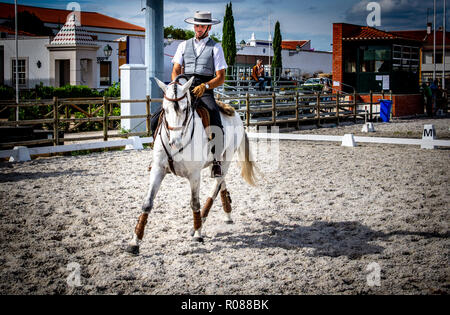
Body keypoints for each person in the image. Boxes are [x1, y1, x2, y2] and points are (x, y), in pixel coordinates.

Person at [150, 11, 227, 177]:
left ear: (209, 27)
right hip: (183, 85)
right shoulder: (183, 45)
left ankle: (216, 161)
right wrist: (177, 86)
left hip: (204, 88)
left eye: (202, 26)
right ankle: (157, 157)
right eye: (196, 25)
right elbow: (176, 69)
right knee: (155, 118)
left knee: (214, 116)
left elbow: (221, 78)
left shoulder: (216, 47)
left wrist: (206, 86)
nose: (198, 28)